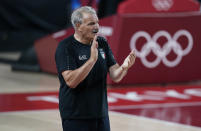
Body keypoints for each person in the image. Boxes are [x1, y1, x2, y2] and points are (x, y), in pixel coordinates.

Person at [55, 6, 136, 131]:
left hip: (100, 115)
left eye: (97, 22)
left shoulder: (102, 42)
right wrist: (91, 60)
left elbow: (115, 75)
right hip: (76, 116)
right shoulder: (66, 47)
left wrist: (124, 67)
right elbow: (71, 81)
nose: (97, 27)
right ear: (78, 26)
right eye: (91, 24)